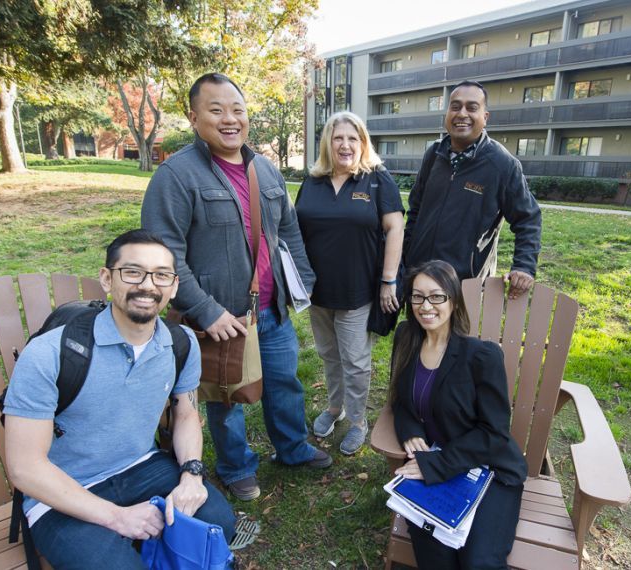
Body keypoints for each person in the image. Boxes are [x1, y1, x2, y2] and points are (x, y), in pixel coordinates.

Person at [141, 73, 329, 503]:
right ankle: (235, 466)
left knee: (285, 384)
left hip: (272, 308)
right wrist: (205, 310)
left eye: (237, 110)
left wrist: (303, 277)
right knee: (226, 396)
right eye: (216, 110)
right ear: (193, 117)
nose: (230, 119)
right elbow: (162, 256)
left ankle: (293, 448)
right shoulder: (176, 176)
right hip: (221, 315)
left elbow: (289, 232)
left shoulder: (264, 168)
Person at [3, 229, 236, 569]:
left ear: (173, 287)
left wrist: (192, 474)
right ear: (107, 279)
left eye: (161, 275)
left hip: (142, 466)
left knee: (219, 521)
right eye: (132, 272)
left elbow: (185, 413)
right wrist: (117, 518)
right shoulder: (50, 354)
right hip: (61, 492)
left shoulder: (181, 343)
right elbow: (25, 468)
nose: (147, 285)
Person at [389, 260, 528, 569]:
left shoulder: (481, 357)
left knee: (478, 562)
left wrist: (436, 464)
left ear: (453, 300)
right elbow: (399, 400)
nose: (425, 306)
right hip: (433, 466)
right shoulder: (406, 339)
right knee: (437, 557)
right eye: (417, 296)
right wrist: (410, 428)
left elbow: (494, 433)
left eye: (436, 296)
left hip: (490, 470)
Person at [295, 111, 404, 455]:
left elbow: (395, 229)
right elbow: (297, 232)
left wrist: (389, 281)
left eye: (353, 138)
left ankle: (358, 420)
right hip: (317, 291)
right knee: (329, 354)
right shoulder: (312, 182)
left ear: (363, 143)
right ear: (328, 142)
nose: (345, 145)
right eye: (338, 138)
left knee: (355, 360)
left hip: (358, 291)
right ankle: (334, 407)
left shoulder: (376, 180)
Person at [404, 80, 542, 299]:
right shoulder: (434, 155)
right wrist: (406, 259)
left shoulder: (502, 165)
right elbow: (415, 211)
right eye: (455, 106)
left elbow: (528, 219)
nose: (462, 113)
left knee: (455, 335)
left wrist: (524, 266)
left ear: (485, 117)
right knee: (416, 334)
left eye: (472, 107)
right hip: (420, 276)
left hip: (464, 284)